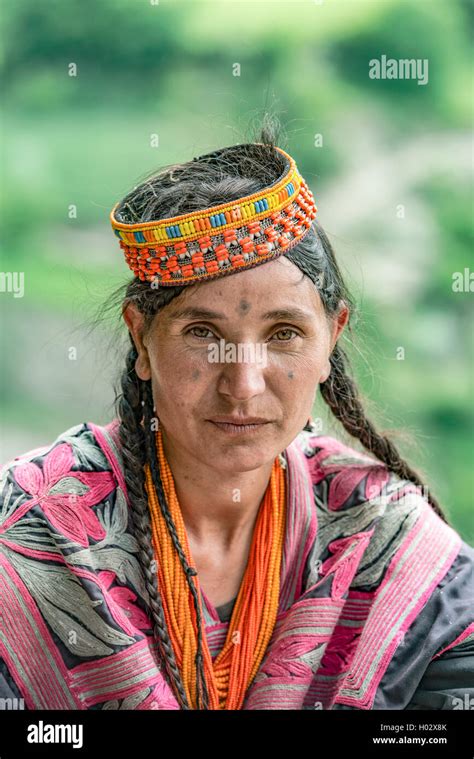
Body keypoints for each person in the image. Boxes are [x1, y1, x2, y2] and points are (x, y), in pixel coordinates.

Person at [0, 128, 472, 711]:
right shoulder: (30, 532)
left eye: (284, 334)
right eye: (202, 333)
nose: (244, 384)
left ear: (333, 337)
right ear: (141, 339)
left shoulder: (390, 542)